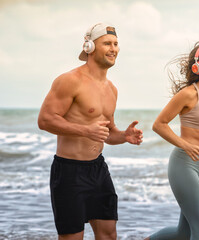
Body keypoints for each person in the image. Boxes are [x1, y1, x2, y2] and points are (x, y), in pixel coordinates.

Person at [38, 23, 143, 240]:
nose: (113, 48)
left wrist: (123, 136)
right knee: (72, 237)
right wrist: (85, 130)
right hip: (69, 172)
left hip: (98, 169)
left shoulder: (111, 89)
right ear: (89, 46)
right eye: (107, 43)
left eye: (115, 44)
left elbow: (107, 132)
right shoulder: (70, 80)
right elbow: (45, 120)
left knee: (108, 235)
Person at [146, 41, 199, 240]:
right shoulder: (188, 94)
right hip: (184, 166)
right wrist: (185, 144)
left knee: (184, 233)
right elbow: (159, 124)